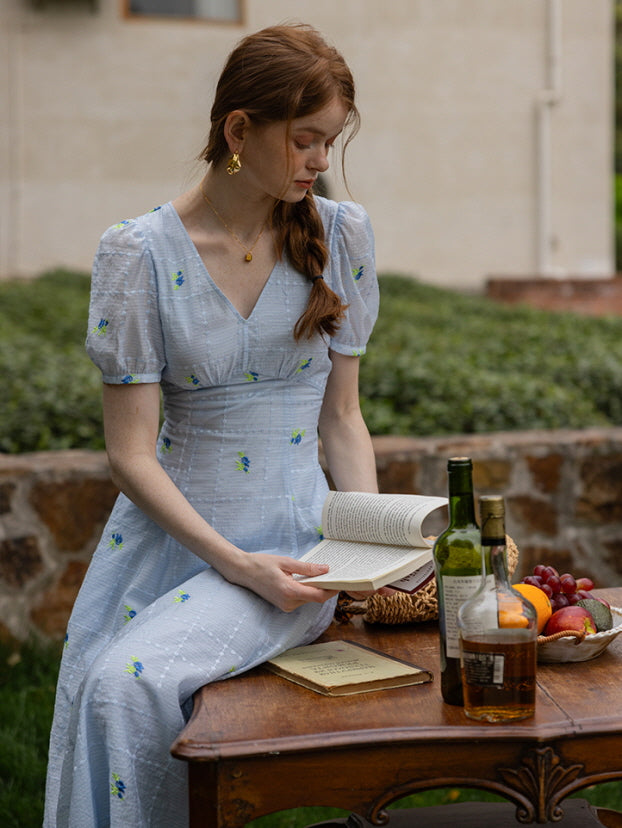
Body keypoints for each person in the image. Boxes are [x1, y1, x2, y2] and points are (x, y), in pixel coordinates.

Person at [44, 22, 381, 828]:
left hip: (296, 551)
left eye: (330, 142)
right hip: (172, 546)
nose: (320, 162)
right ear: (239, 130)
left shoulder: (342, 237)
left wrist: (369, 552)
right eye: (306, 140)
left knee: (126, 685)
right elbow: (129, 456)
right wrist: (233, 564)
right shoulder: (138, 253)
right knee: (105, 690)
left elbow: (343, 419)